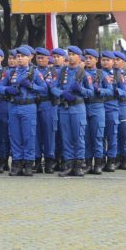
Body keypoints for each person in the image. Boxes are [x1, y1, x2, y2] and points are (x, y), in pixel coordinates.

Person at [0, 46, 46, 177]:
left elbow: (44, 89)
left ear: (29, 58)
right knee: (14, 136)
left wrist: (31, 86)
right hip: (13, 106)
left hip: (28, 107)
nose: (19, 58)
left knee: (29, 136)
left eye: (22, 56)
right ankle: (17, 163)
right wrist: (7, 90)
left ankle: (29, 163)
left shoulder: (35, 72)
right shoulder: (11, 72)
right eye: (17, 56)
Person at [50, 46, 92, 177]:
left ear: (79, 57)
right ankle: (68, 165)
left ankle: (78, 166)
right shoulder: (62, 72)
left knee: (79, 137)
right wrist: (62, 93)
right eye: (69, 54)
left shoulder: (84, 73)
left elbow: (90, 92)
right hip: (64, 108)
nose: (71, 56)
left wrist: (81, 90)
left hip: (78, 108)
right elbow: (53, 87)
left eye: (74, 54)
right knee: (66, 138)